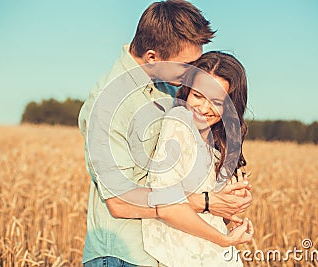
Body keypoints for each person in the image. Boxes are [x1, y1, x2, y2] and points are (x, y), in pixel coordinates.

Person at [78, 1, 253, 266]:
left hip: (168, 255)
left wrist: (227, 195)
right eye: (188, 65)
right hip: (124, 257)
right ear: (152, 58)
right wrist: (207, 202)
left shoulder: (172, 87)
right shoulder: (107, 107)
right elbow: (121, 202)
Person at [142, 51, 253, 267]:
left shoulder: (216, 143)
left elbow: (209, 210)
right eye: (198, 96)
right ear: (187, 91)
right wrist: (225, 239)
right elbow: (165, 203)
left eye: (216, 102)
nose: (203, 109)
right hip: (178, 258)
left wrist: (232, 207)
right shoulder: (178, 122)